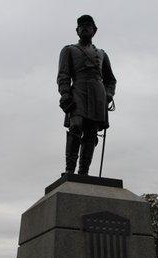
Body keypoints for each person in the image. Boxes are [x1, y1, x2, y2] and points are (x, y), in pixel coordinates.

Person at [57, 15, 116, 175]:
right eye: (81, 25)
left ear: (94, 30)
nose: (84, 27)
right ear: (77, 30)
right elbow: (63, 75)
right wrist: (65, 94)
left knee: (91, 134)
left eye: (88, 25)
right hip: (78, 91)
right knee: (75, 126)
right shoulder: (69, 50)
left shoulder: (102, 54)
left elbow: (110, 79)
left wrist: (109, 94)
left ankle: (83, 172)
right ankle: (70, 170)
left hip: (98, 95)